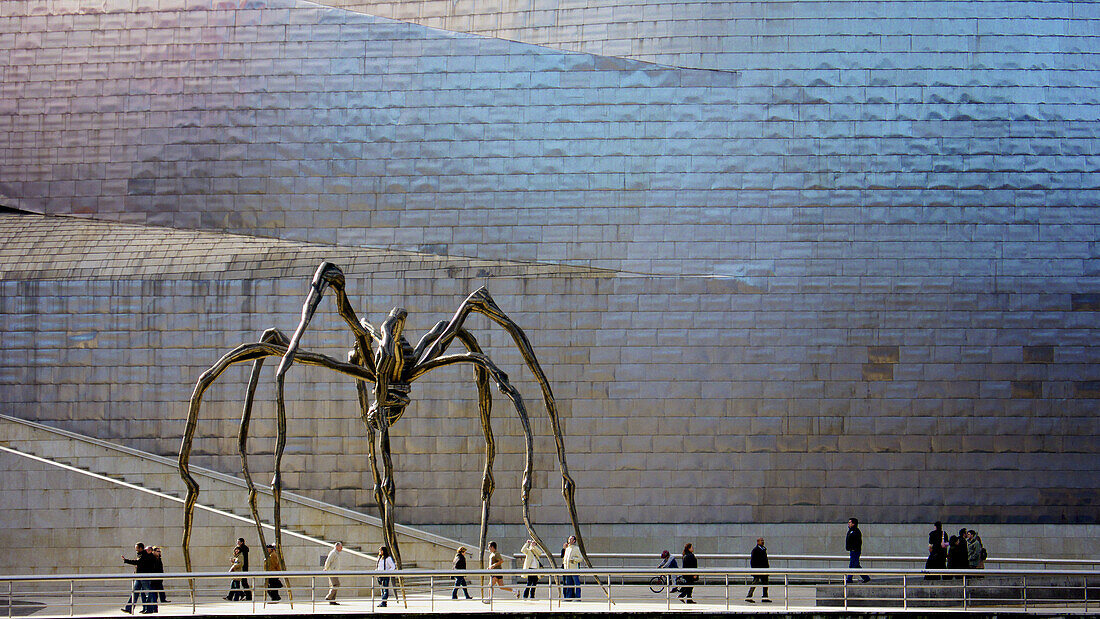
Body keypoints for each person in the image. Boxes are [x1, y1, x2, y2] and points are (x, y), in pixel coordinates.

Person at [121, 542, 157, 614]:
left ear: (140, 548)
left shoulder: (144, 555)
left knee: (148, 592)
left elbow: (138, 562)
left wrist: (126, 561)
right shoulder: (141, 554)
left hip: (143, 576)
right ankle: (129, 608)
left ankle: (150, 609)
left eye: (137, 548)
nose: (136, 550)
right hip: (139, 576)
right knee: (135, 592)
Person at [845, 518, 870, 583]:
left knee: (853, 565)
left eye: (850, 522)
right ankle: (865, 577)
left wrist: (853, 548)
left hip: (855, 551)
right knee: (855, 565)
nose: (848, 523)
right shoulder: (851, 531)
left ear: (853, 524)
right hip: (852, 550)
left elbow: (857, 542)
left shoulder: (856, 532)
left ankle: (850, 578)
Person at [746, 537, 771, 603]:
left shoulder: (764, 549)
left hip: (764, 569)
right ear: (758, 542)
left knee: (765, 583)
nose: (763, 542)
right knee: (755, 582)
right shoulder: (755, 550)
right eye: (761, 541)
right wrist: (755, 569)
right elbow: (753, 561)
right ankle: (749, 596)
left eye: (763, 540)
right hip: (758, 569)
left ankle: (765, 597)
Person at [562, 535, 583, 600]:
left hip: (574, 569)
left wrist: (574, 560)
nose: (569, 540)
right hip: (567, 569)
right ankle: (569, 597)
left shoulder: (576, 549)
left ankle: (578, 597)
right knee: (569, 584)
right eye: (569, 539)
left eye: (571, 539)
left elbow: (580, 558)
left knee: (577, 583)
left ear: (574, 541)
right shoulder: (567, 549)